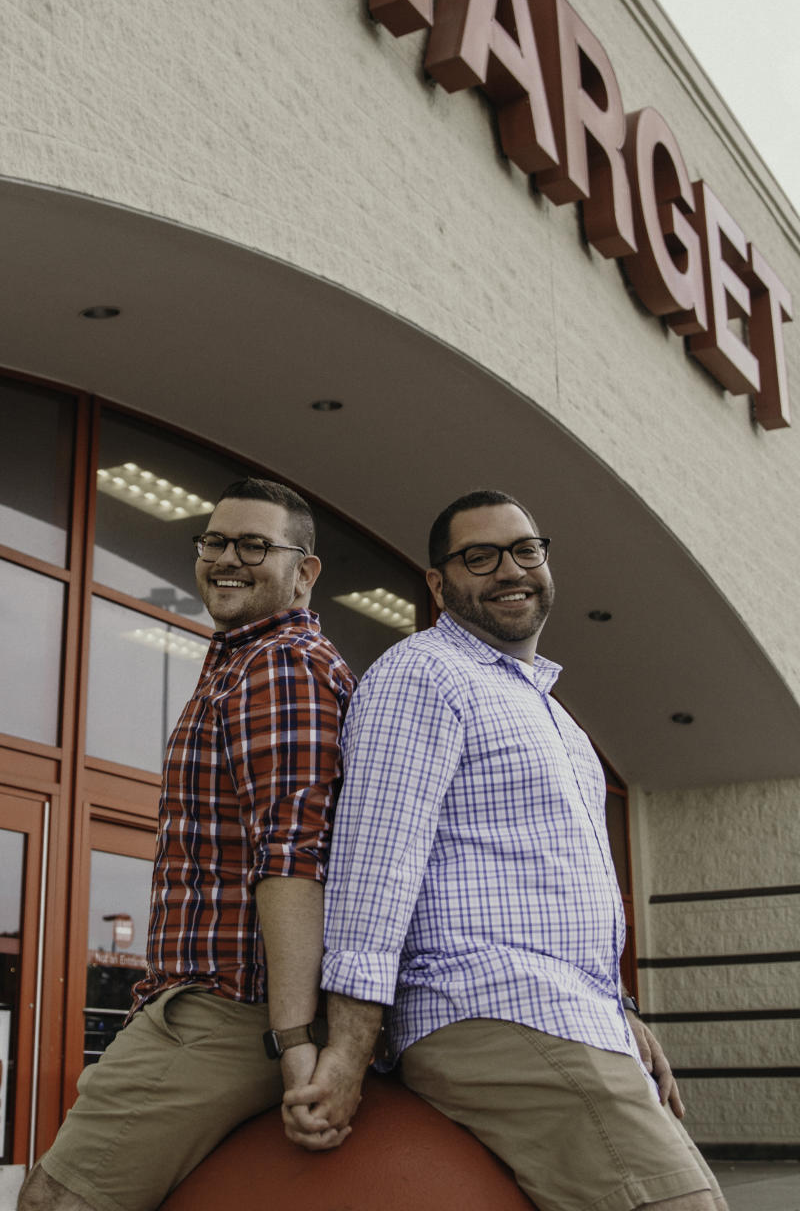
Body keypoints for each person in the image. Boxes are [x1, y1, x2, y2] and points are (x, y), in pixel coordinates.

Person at [285, 490, 727, 1211]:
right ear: (437, 583)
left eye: (525, 551)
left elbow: (550, 887)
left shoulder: (556, 718)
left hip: (565, 1011)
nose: (510, 570)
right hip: (489, 1002)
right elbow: (375, 869)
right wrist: (348, 1051)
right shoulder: (423, 673)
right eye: (479, 557)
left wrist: (618, 1012)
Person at [20, 478, 356, 1211]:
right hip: (210, 1004)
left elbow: (293, 856)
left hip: (229, 1010)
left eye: (254, 545)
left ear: (306, 570)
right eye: (215, 542)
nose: (227, 559)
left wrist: (292, 1037)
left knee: (55, 1201)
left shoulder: (281, 667)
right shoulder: (241, 661)